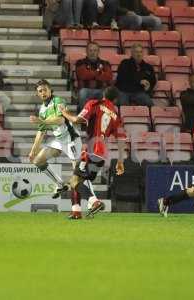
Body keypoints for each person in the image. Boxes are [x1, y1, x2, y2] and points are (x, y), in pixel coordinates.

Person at [60, 86, 125, 219]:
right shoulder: (116, 116)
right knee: (78, 179)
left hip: (91, 151)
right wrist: (120, 161)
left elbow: (77, 120)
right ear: (115, 99)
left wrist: (64, 113)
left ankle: (94, 202)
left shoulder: (94, 104)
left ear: (103, 95)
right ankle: (76, 212)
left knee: (74, 181)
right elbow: (121, 139)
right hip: (101, 156)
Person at [29, 79, 82, 199]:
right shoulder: (42, 109)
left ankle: (90, 202)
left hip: (71, 139)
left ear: (50, 90)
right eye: (40, 91)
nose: (43, 93)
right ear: (37, 94)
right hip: (59, 141)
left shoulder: (58, 101)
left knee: (77, 176)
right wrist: (33, 150)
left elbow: (61, 120)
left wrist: (41, 120)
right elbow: (41, 132)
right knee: (38, 160)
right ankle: (59, 184)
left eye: (45, 90)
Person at [75, 42, 113, 112]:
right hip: (86, 89)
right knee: (82, 93)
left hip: (101, 90)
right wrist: (99, 72)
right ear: (86, 51)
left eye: (95, 50)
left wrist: (91, 74)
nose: (93, 53)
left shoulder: (105, 63)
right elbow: (83, 75)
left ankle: (101, 118)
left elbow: (108, 77)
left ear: (98, 52)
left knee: (107, 93)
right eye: (90, 50)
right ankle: (84, 117)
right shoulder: (80, 62)